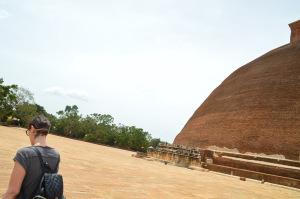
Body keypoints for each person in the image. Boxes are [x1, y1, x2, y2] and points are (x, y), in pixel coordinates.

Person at [2, 115, 61, 199]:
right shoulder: (56, 155)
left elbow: (13, 192)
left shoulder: (24, 153)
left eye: (28, 131)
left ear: (32, 129)